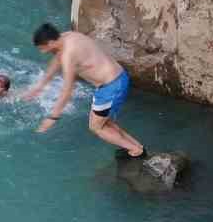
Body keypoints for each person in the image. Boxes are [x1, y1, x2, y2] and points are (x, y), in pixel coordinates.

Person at [21, 24, 146, 159]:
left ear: (50, 42)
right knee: (104, 122)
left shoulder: (69, 54)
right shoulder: (67, 37)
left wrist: (52, 117)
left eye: (42, 48)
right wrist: (40, 86)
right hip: (114, 81)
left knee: (96, 127)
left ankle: (135, 150)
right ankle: (136, 147)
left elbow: (67, 89)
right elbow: (56, 61)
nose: (42, 51)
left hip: (112, 87)